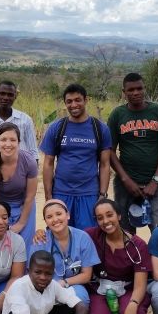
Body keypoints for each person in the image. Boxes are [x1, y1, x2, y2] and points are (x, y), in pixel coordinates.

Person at [39, 83, 112, 230]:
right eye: (69, 101)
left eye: (78, 100)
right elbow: (48, 163)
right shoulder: (57, 127)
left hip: (89, 194)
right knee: (59, 235)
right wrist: (49, 197)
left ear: (86, 100)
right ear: (65, 103)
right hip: (61, 193)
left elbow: (105, 164)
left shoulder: (100, 128)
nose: (74, 105)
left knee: (88, 237)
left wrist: (102, 196)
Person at [107, 72, 158, 232]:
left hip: (153, 184)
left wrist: (156, 180)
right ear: (124, 92)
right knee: (125, 233)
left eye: (139, 88)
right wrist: (126, 179)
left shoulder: (157, 111)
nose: (135, 93)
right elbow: (109, 150)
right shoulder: (117, 114)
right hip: (125, 185)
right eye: (130, 90)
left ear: (144, 89)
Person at [84, 198, 152, 314]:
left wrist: (133, 304)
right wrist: (42, 233)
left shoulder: (138, 246)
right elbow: (67, 234)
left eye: (110, 215)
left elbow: (140, 285)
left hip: (127, 289)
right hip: (100, 288)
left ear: (119, 215)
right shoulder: (90, 236)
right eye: (100, 218)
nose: (106, 221)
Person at [27, 199, 100, 306]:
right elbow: (32, 273)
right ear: (45, 221)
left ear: (68, 215)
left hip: (72, 284)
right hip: (45, 285)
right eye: (49, 217)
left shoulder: (82, 238)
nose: (55, 219)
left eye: (59, 214)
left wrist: (64, 282)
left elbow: (86, 275)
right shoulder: (40, 241)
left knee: (81, 298)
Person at [0, 122, 38, 245]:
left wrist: (21, 223)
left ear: (18, 142)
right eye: (3, 139)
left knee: (23, 246)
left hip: (24, 205)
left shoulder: (29, 161)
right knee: (0, 245)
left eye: (13, 140)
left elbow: (30, 196)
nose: (8, 144)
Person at [0, 80, 39, 165]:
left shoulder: (26, 120)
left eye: (10, 95)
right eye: (2, 93)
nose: (5, 98)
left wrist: (32, 174)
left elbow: (33, 151)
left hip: (20, 169)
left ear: (15, 97)